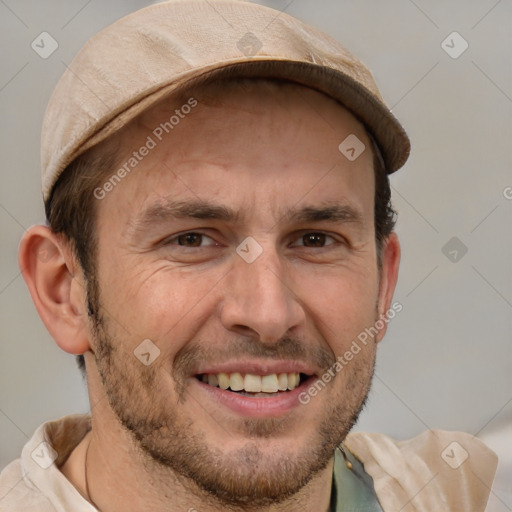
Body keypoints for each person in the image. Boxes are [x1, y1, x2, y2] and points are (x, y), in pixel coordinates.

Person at [0, 1, 497, 510]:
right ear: (63, 291)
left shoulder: (462, 493)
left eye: (315, 240)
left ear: (382, 284)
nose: (268, 314)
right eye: (192, 239)